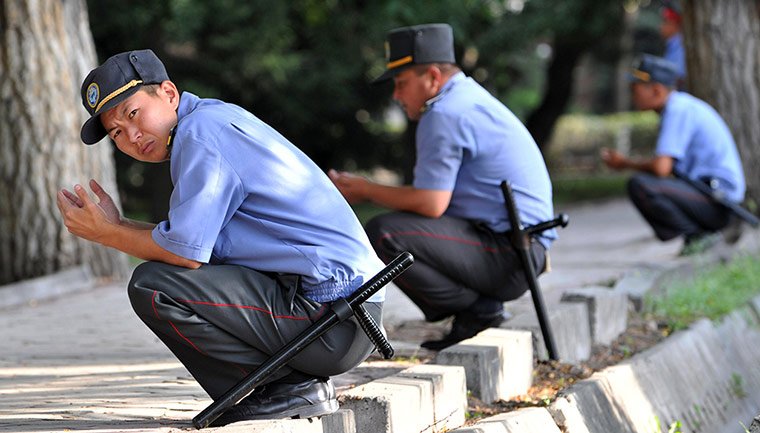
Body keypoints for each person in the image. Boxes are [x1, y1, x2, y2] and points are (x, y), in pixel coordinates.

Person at [56, 49, 387, 426]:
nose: (130, 135)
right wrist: (118, 225)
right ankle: (287, 386)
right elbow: (184, 241)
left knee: (153, 286)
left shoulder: (201, 135)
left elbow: (184, 256)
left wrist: (108, 234)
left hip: (334, 320)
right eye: (116, 132)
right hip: (343, 315)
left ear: (168, 92)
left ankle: (286, 388)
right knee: (163, 276)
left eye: (133, 114)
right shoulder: (208, 122)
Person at [329, 24, 557, 351]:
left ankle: (478, 313)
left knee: (385, 232)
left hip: (510, 256)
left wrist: (365, 190)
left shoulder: (444, 113)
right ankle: (479, 311)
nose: (396, 94)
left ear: (433, 77)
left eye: (402, 83)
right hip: (521, 251)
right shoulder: (468, 100)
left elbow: (430, 203)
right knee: (398, 228)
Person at [601, 54, 746, 255]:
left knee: (640, 186)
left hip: (719, 202)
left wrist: (624, 163)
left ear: (657, 90)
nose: (633, 95)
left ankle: (698, 237)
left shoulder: (678, 110)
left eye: (636, 89)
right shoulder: (680, 107)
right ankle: (697, 236)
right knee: (646, 185)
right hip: (709, 196)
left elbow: (662, 168)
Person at [659, 0, 686, 89]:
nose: (660, 26)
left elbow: (677, 77)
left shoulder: (681, 45)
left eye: (665, 22)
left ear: (675, 24)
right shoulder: (671, 45)